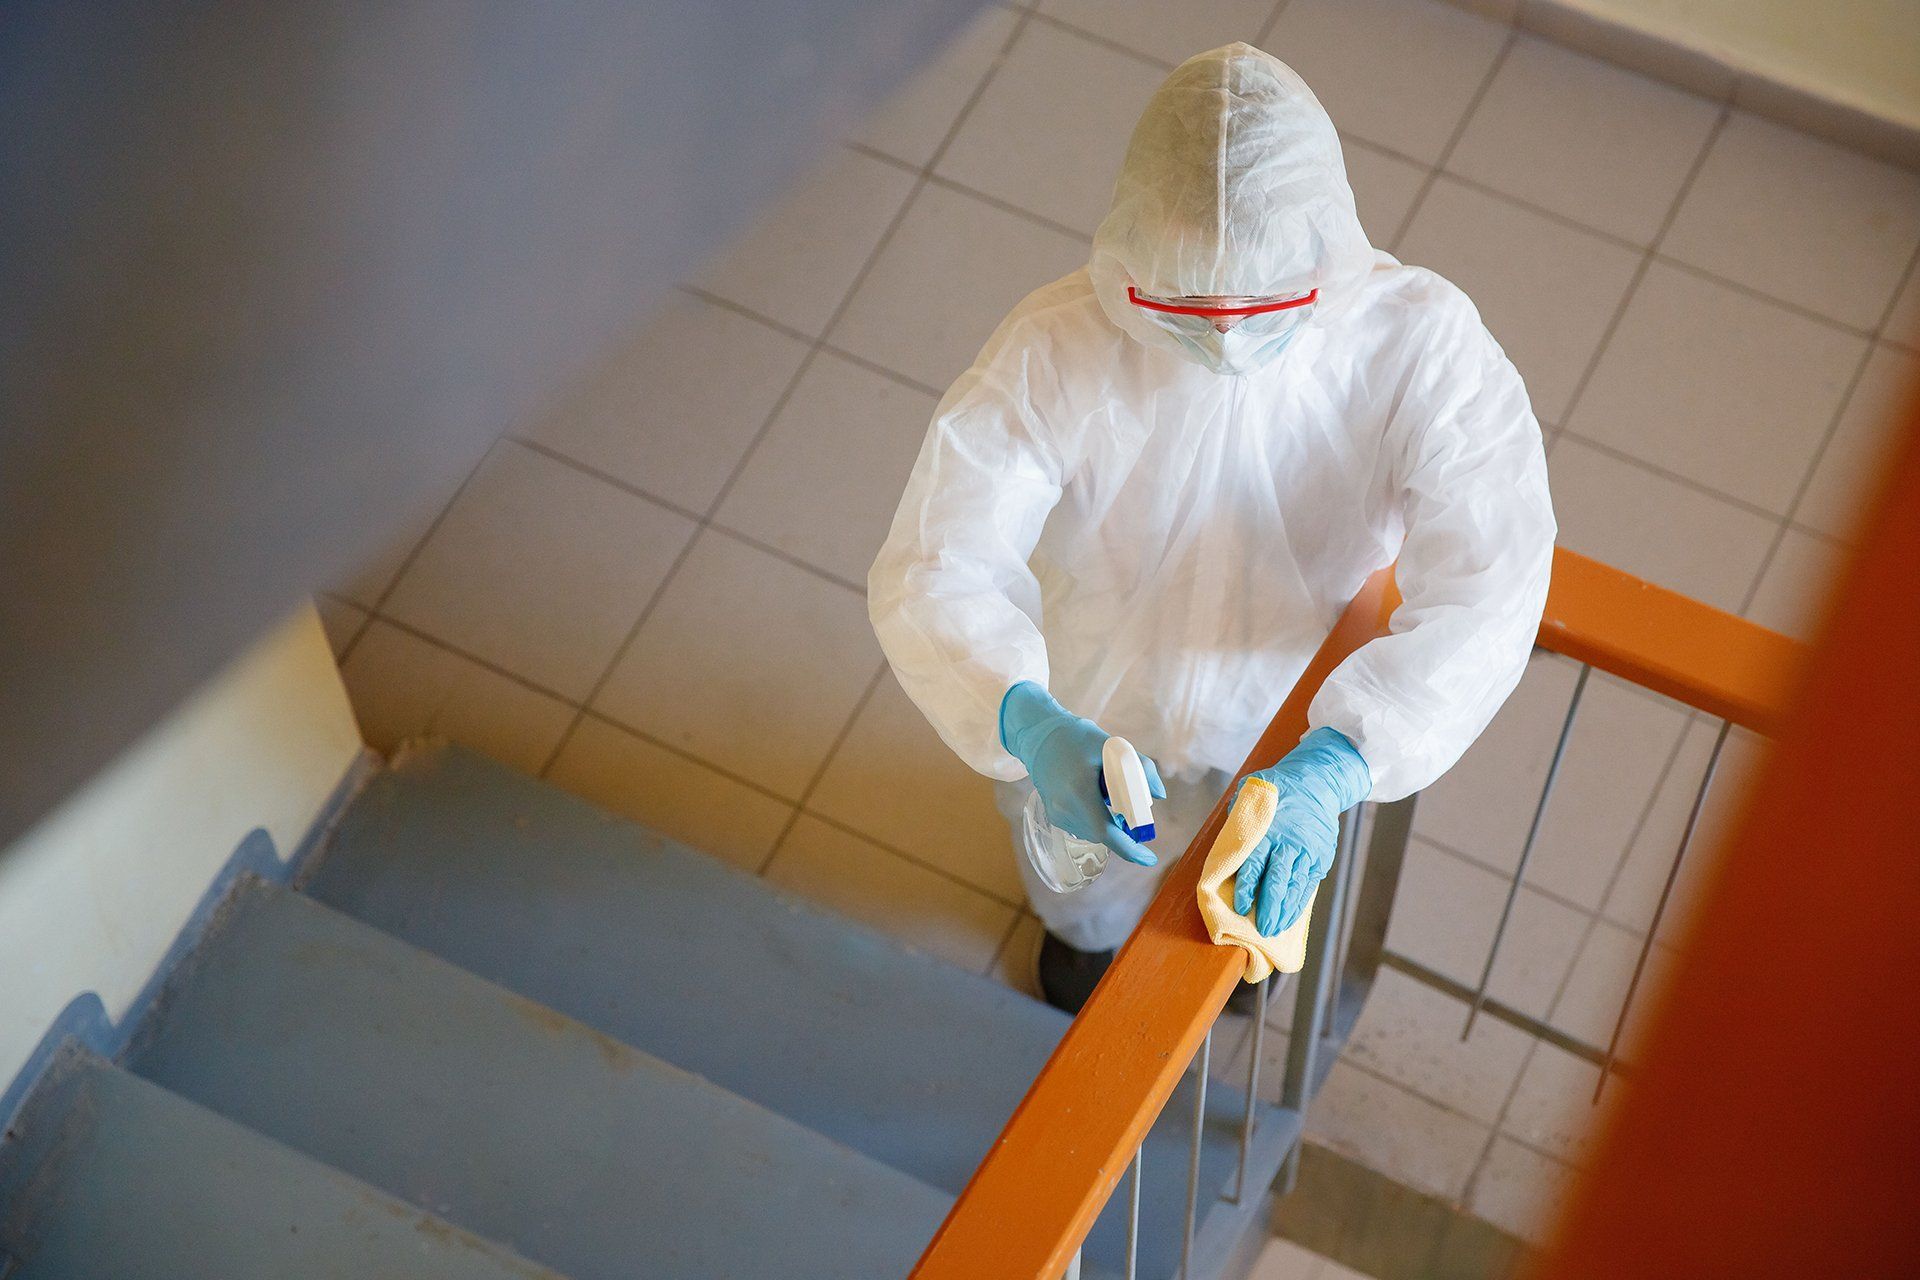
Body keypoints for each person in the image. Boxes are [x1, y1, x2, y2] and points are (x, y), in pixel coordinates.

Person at [868, 43, 1555, 1013]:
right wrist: (1020, 712)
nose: (1228, 337)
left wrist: (1349, 752)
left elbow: (1495, 578)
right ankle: (1084, 945)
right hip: (1098, 695)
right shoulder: (1057, 345)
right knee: (1087, 874)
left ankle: (1218, 961)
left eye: (1263, 306)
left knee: (1242, 869)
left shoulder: (1421, 348)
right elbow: (938, 559)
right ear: (1133, 258)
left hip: (1287, 708)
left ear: (1326, 252)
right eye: (1186, 308)